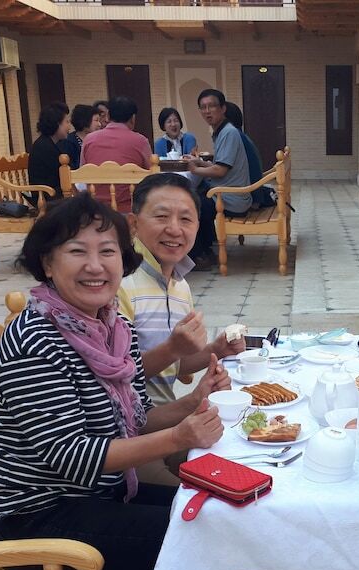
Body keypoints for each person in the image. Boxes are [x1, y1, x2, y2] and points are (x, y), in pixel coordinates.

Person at [0, 192, 231, 570]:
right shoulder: (35, 340)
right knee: (194, 534)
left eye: (107, 251)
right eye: (77, 251)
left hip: (94, 496)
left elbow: (134, 417)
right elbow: (75, 457)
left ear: (123, 260)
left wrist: (192, 402)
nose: (95, 265)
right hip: (33, 524)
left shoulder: (110, 327)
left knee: (204, 508)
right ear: (48, 263)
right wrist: (179, 437)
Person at [118, 172, 246, 413]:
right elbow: (115, 377)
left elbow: (174, 366)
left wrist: (217, 350)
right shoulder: (119, 283)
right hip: (132, 425)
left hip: (167, 414)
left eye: (186, 219)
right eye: (161, 216)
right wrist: (172, 349)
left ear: (198, 226)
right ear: (134, 223)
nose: (174, 229)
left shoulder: (179, 285)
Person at [186, 88, 252, 269]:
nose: (207, 111)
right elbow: (221, 165)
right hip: (226, 194)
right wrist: (200, 163)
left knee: (190, 206)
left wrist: (194, 169)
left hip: (232, 199)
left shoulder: (229, 132)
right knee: (196, 197)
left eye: (212, 106)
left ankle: (198, 255)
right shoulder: (221, 131)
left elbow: (221, 171)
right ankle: (206, 251)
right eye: (203, 107)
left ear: (223, 108)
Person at [80, 96, 152, 212]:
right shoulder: (141, 141)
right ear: (133, 118)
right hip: (130, 210)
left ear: (108, 116)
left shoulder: (89, 140)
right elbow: (151, 176)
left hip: (94, 210)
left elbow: (83, 172)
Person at [224, 101, 267, 208]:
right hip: (256, 192)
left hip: (250, 196)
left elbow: (222, 170)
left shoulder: (233, 136)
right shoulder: (241, 135)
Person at [26, 102, 69, 205]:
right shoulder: (43, 147)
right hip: (48, 197)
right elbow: (63, 173)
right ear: (57, 124)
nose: (69, 127)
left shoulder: (53, 143)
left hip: (56, 193)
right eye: (66, 122)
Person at [62, 103, 97, 170]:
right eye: (96, 120)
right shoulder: (69, 142)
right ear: (85, 120)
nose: (99, 124)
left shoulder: (97, 139)